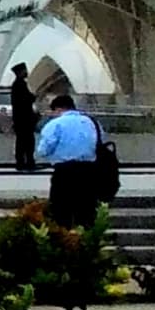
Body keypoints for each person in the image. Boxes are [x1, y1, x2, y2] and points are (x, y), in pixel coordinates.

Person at [33, 83, 108, 228]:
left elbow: (44, 150)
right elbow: (100, 142)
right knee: (86, 211)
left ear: (58, 109)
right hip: (89, 172)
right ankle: (85, 241)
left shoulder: (55, 124)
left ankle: (65, 241)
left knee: (61, 210)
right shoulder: (91, 122)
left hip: (64, 172)